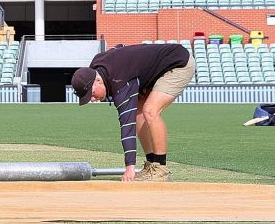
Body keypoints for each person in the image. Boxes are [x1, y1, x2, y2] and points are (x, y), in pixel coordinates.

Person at [70, 42, 196, 183]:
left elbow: (127, 125)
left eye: (92, 94)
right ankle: (151, 165)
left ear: (98, 80)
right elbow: (118, 48)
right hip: (154, 71)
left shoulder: (119, 82)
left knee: (150, 111)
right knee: (139, 113)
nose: (92, 99)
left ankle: (161, 168)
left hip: (177, 63)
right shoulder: (96, 66)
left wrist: (130, 167)